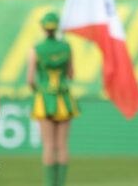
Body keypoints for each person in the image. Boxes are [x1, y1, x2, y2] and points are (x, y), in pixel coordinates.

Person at [27, 12, 79, 186]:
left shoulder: (36, 49)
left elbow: (30, 80)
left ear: (43, 27)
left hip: (45, 97)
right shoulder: (66, 47)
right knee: (62, 145)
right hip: (64, 98)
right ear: (56, 27)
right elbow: (71, 75)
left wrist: (38, 90)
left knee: (48, 146)